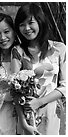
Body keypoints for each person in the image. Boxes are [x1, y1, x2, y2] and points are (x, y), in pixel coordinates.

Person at [11, 3, 66, 135]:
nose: (27, 28)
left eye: (31, 23)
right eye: (22, 24)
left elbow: (65, 86)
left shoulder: (59, 48)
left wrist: (40, 101)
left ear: (40, 22)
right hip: (28, 115)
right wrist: (24, 124)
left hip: (54, 113)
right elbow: (14, 90)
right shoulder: (18, 51)